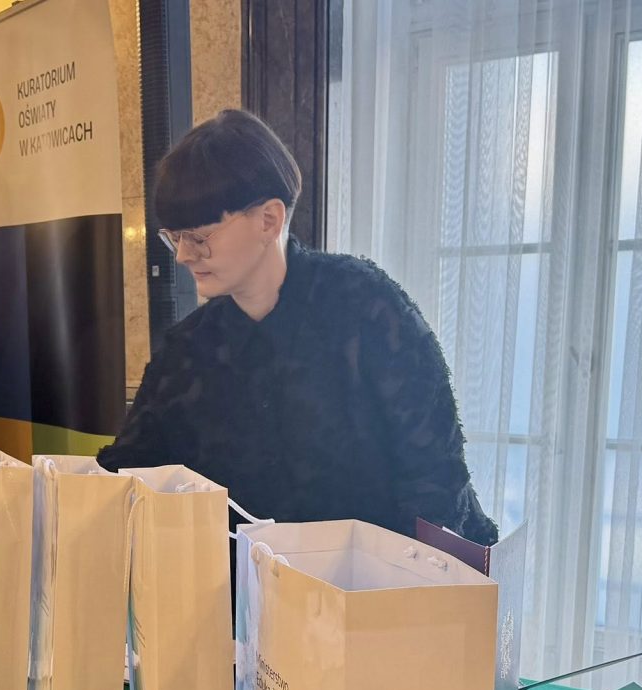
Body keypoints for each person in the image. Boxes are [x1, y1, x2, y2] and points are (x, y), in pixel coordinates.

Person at [97, 109, 497, 545]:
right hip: (247, 584)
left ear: (268, 219)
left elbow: (435, 475)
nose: (183, 256)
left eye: (199, 237)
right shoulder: (188, 349)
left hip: (382, 575)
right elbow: (128, 472)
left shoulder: (366, 306)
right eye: (174, 237)